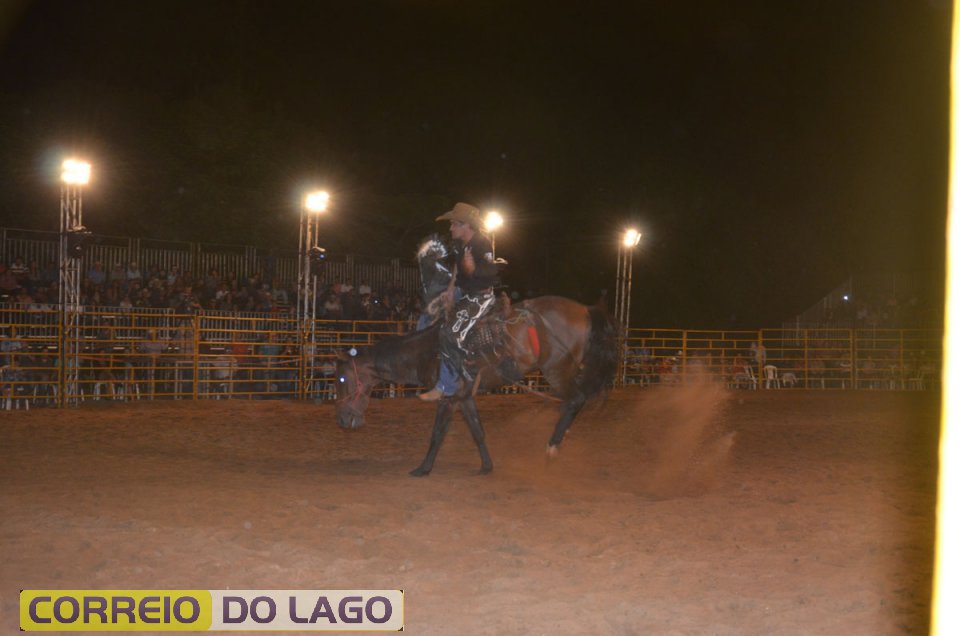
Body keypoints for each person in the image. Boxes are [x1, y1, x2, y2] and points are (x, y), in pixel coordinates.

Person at [418, 202, 500, 401]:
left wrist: (472, 270)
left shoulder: (482, 244)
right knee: (426, 319)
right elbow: (457, 266)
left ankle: (448, 385)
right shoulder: (459, 243)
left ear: (466, 226)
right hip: (462, 291)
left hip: (480, 296)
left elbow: (490, 272)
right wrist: (450, 289)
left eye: (454, 224)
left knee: (450, 334)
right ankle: (427, 367)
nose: (451, 228)